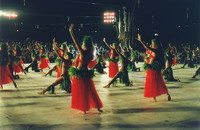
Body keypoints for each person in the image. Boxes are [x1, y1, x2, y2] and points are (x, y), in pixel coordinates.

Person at [69, 24, 103, 114]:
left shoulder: (83, 52)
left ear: (84, 44)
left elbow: (75, 42)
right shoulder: (91, 53)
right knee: (90, 90)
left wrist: (71, 32)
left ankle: (84, 108)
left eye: (83, 43)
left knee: (82, 91)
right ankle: (97, 107)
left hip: (79, 72)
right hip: (86, 72)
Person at [136, 34, 171, 102]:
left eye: (152, 43)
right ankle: (164, 95)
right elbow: (146, 48)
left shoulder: (156, 50)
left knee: (154, 82)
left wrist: (141, 40)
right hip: (152, 68)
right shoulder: (154, 50)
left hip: (153, 69)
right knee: (157, 82)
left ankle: (156, 97)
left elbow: (147, 47)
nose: (151, 44)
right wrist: (141, 42)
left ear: (155, 44)